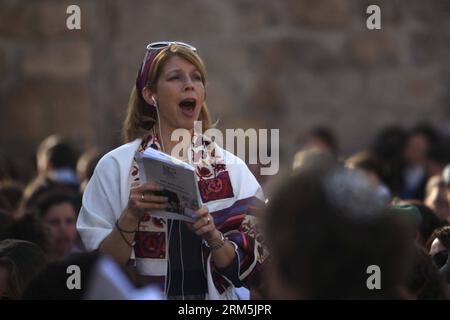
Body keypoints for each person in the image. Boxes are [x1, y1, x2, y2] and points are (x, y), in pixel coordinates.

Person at [77, 41, 266, 300]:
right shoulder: (115, 167)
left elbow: (255, 269)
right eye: (175, 77)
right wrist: (131, 215)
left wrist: (213, 237)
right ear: (149, 94)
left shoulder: (234, 169)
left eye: (196, 78)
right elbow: (99, 269)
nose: (189, 85)